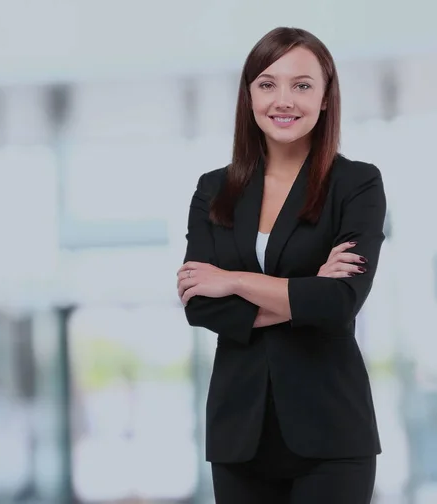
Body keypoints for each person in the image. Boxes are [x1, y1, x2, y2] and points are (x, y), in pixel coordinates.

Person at [176, 27, 386, 504]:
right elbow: (200, 307)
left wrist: (232, 281)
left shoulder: (355, 184)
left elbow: (341, 301)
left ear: (327, 96)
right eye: (267, 84)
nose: (283, 100)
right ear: (248, 95)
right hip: (238, 434)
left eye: (302, 85)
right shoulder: (214, 190)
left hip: (332, 434)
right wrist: (307, 290)